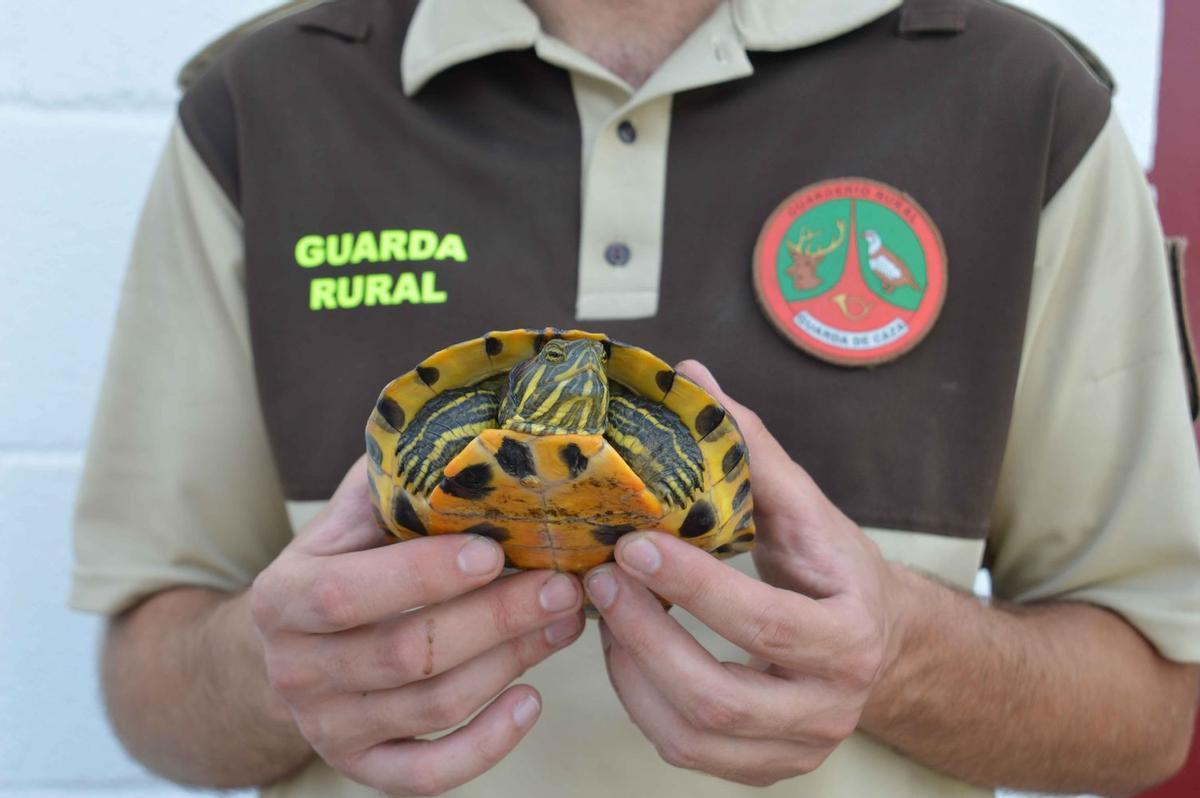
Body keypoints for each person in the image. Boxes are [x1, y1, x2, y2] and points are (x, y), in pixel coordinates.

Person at [72, 0, 1200, 796]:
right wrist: (279, 673)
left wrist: (895, 651)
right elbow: (149, 681)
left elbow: (1151, 713)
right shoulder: (263, 105)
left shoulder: (1024, 104)